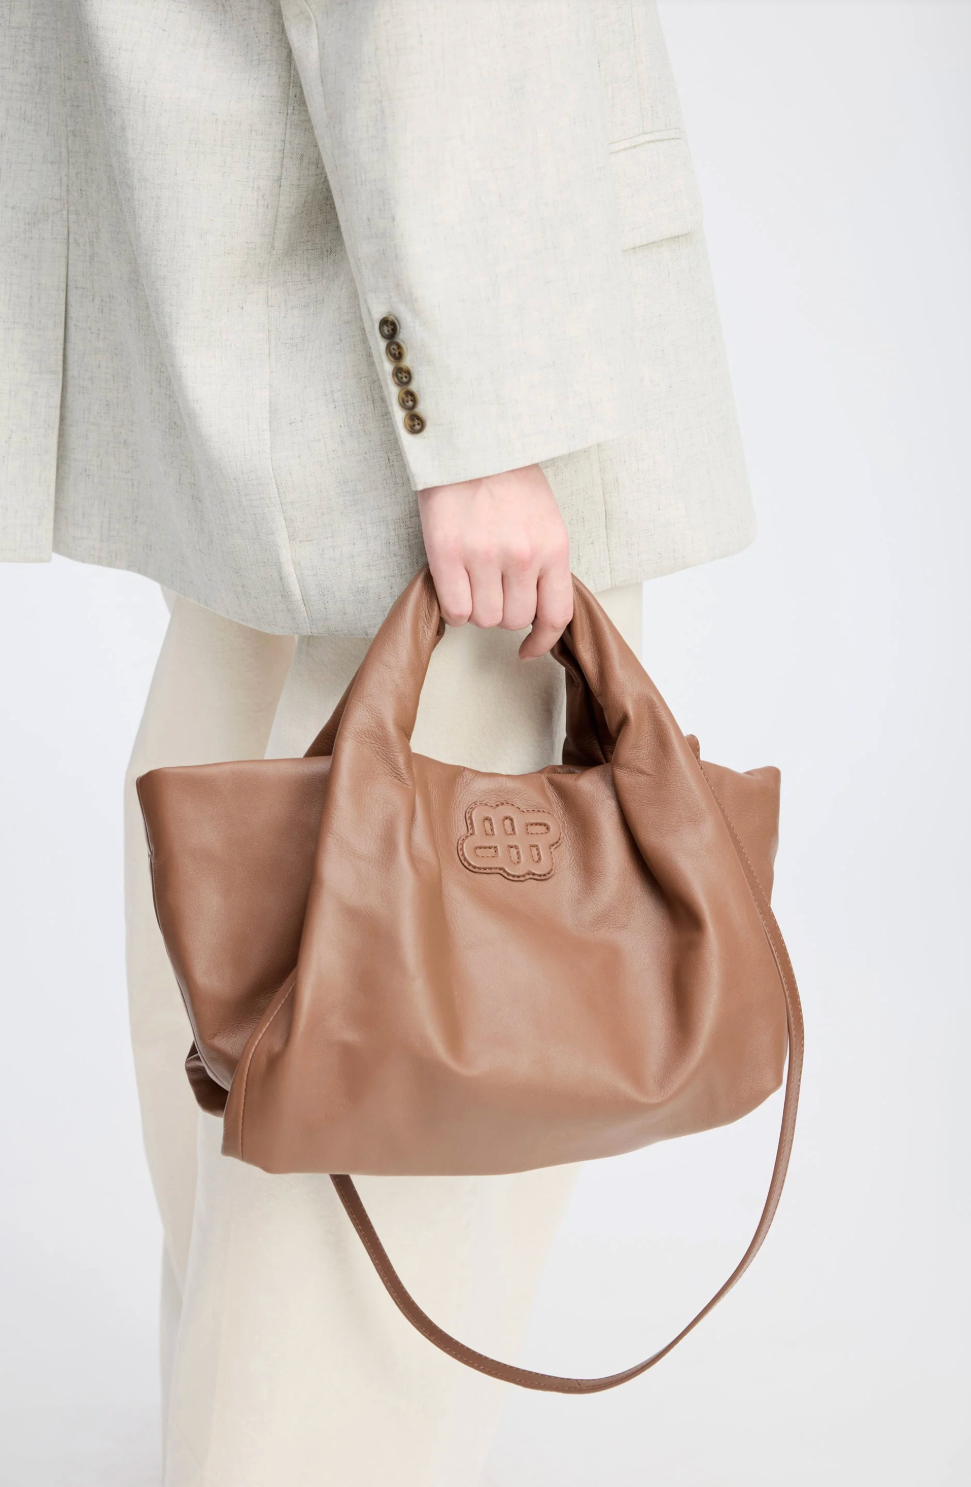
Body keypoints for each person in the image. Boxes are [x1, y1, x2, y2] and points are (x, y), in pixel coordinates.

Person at [1, 3, 754, 1482]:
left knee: (244, 928)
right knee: (417, 1069)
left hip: (242, 296)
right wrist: (480, 422)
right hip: (424, 365)